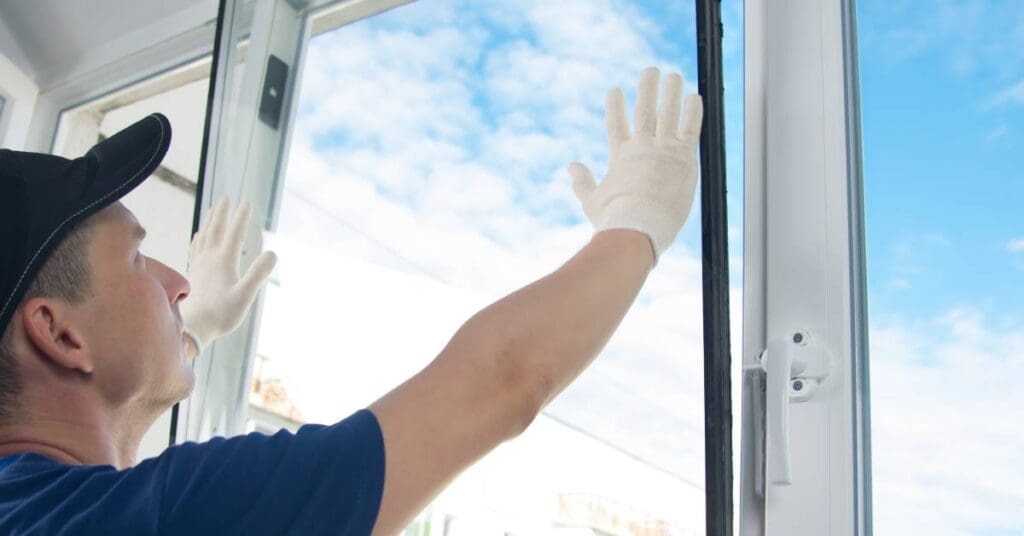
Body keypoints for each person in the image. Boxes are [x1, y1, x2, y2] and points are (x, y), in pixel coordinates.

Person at [0, 66, 702, 534]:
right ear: (60, 336)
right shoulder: (166, 515)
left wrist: (194, 333)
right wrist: (636, 223)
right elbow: (502, 380)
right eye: (136, 258)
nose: (178, 281)